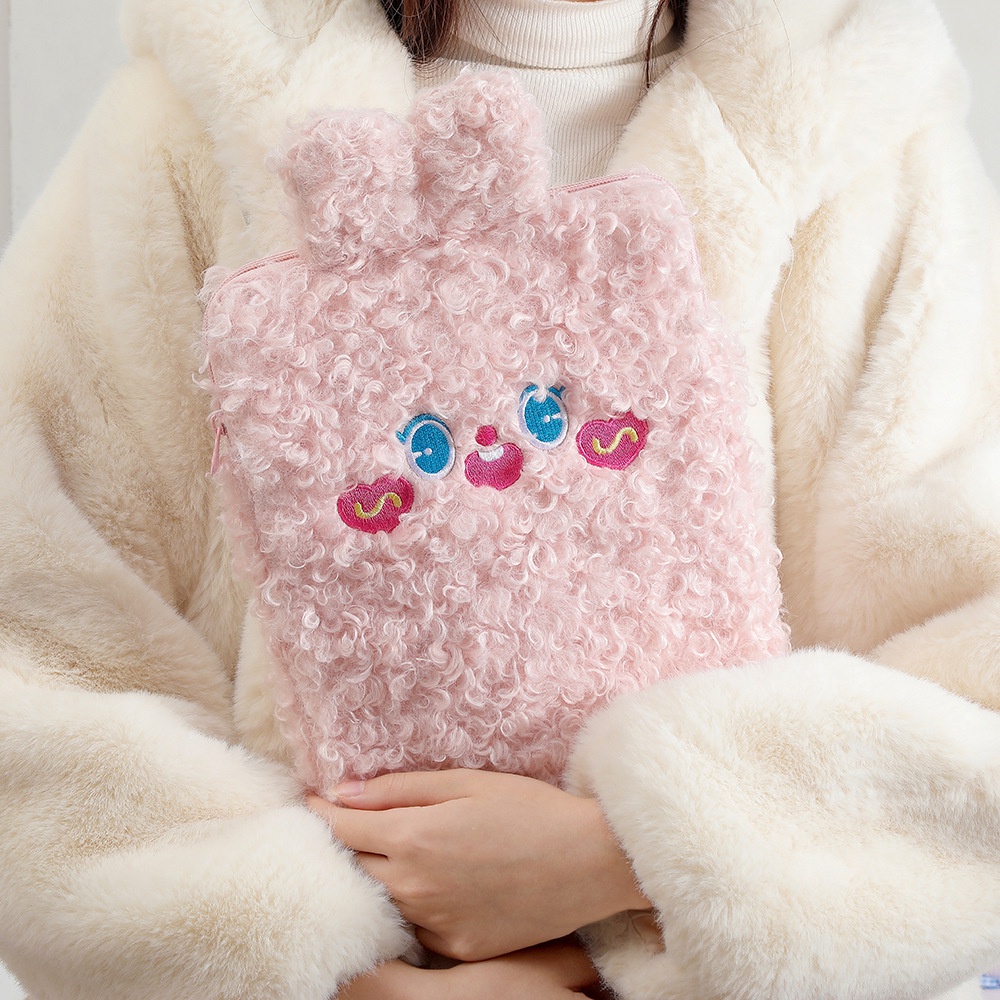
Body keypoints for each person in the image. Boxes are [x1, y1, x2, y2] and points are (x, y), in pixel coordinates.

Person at [0, 0, 997, 997]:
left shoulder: (859, 126)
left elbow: (972, 689)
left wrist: (628, 855)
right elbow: (37, 653)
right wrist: (346, 983)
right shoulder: (200, 116)